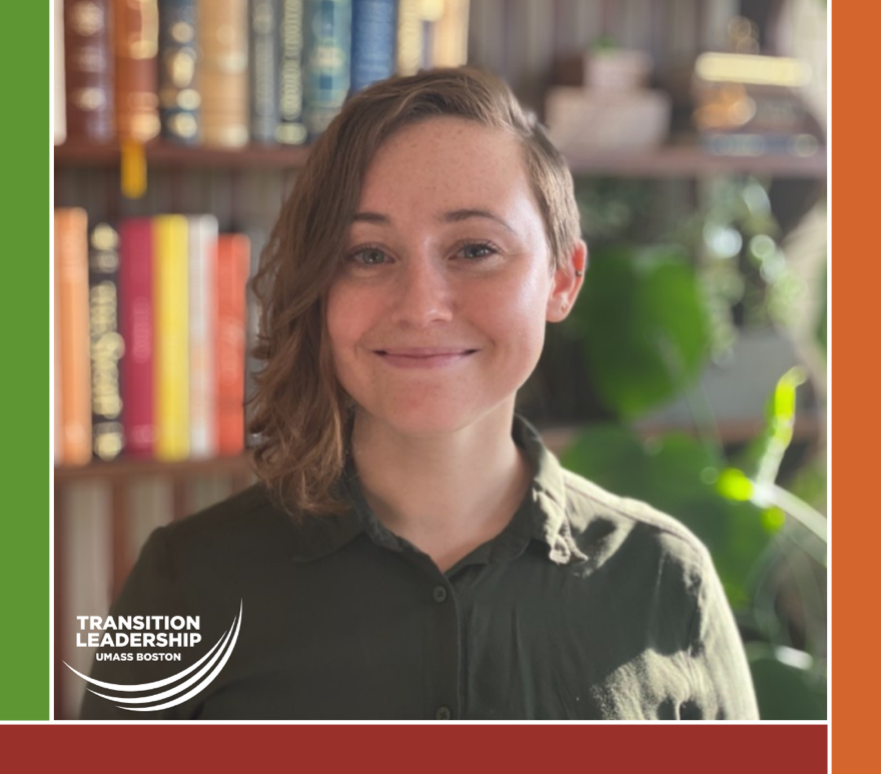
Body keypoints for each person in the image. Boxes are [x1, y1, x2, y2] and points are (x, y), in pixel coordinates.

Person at [79, 67, 759, 720]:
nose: (421, 305)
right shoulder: (187, 580)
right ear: (319, 287)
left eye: (474, 250)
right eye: (369, 255)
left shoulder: (668, 582)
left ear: (562, 278)